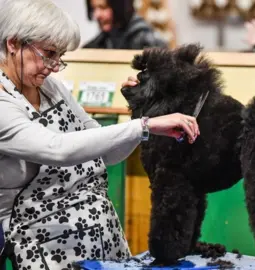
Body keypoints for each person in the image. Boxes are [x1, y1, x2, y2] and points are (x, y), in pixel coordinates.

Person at [0, 0, 199, 269]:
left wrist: (140, 115)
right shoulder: (3, 102)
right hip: (45, 246)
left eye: (60, 56)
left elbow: (105, 154)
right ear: (13, 43)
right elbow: (58, 149)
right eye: (48, 53)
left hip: (101, 234)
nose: (54, 66)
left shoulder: (52, 88)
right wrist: (144, 126)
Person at [83, 0, 167, 49]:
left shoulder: (149, 43)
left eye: (103, 7)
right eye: (94, 8)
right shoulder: (99, 43)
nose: (97, 15)